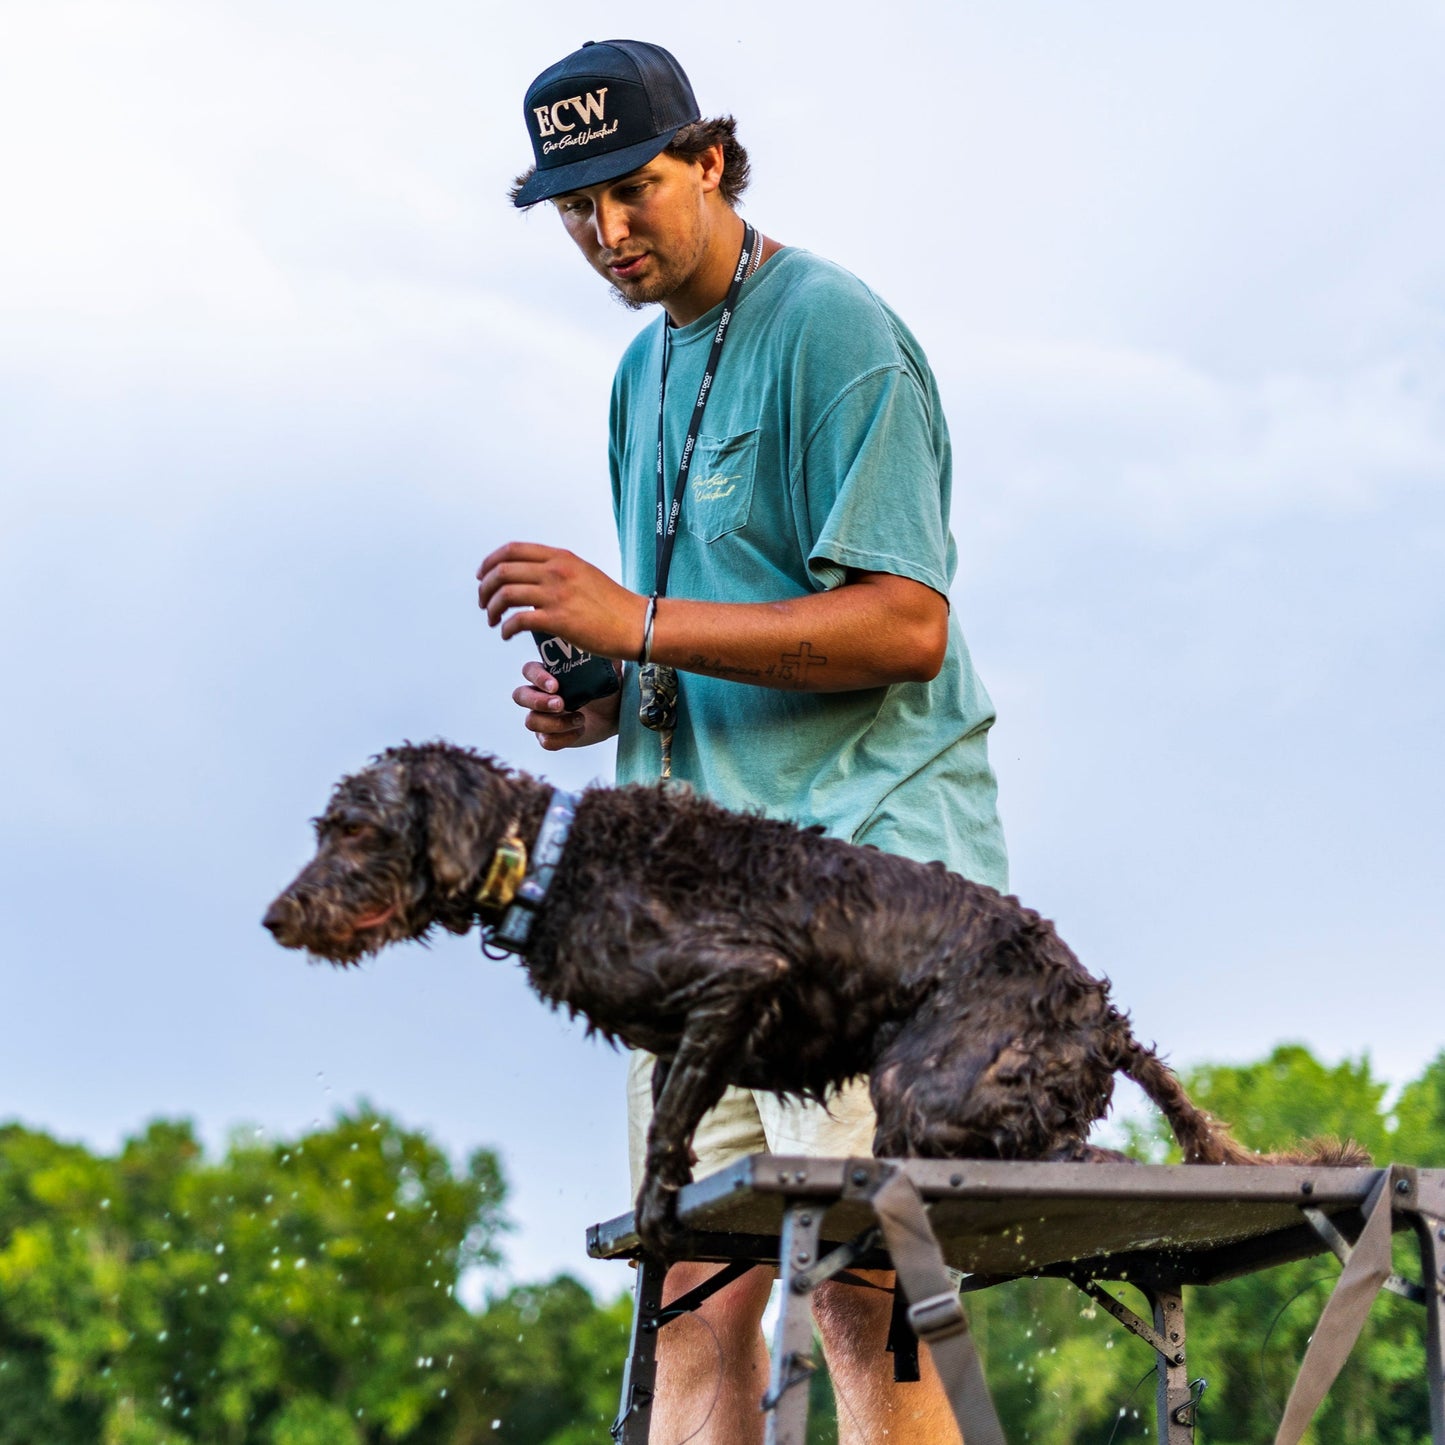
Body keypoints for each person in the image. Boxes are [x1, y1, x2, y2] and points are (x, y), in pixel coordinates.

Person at [477, 38, 1007, 1445]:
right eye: (574, 209)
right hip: (694, 925)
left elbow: (903, 626)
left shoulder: (836, 331)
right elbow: (710, 630)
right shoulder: (635, 377)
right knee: (688, 1302)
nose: (605, 233)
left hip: (868, 900)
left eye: (632, 189)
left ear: (710, 160)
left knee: (853, 1297)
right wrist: (606, 694)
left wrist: (639, 619)